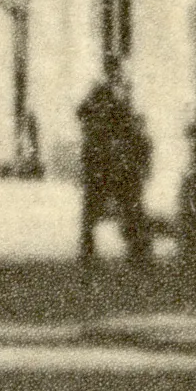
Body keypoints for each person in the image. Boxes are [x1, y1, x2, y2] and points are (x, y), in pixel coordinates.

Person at [78, 63, 152, 263]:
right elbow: (83, 115)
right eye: (115, 74)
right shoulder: (101, 95)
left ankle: (136, 247)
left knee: (127, 203)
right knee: (97, 204)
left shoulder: (117, 98)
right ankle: (89, 247)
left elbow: (129, 129)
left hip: (116, 161)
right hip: (103, 160)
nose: (118, 78)